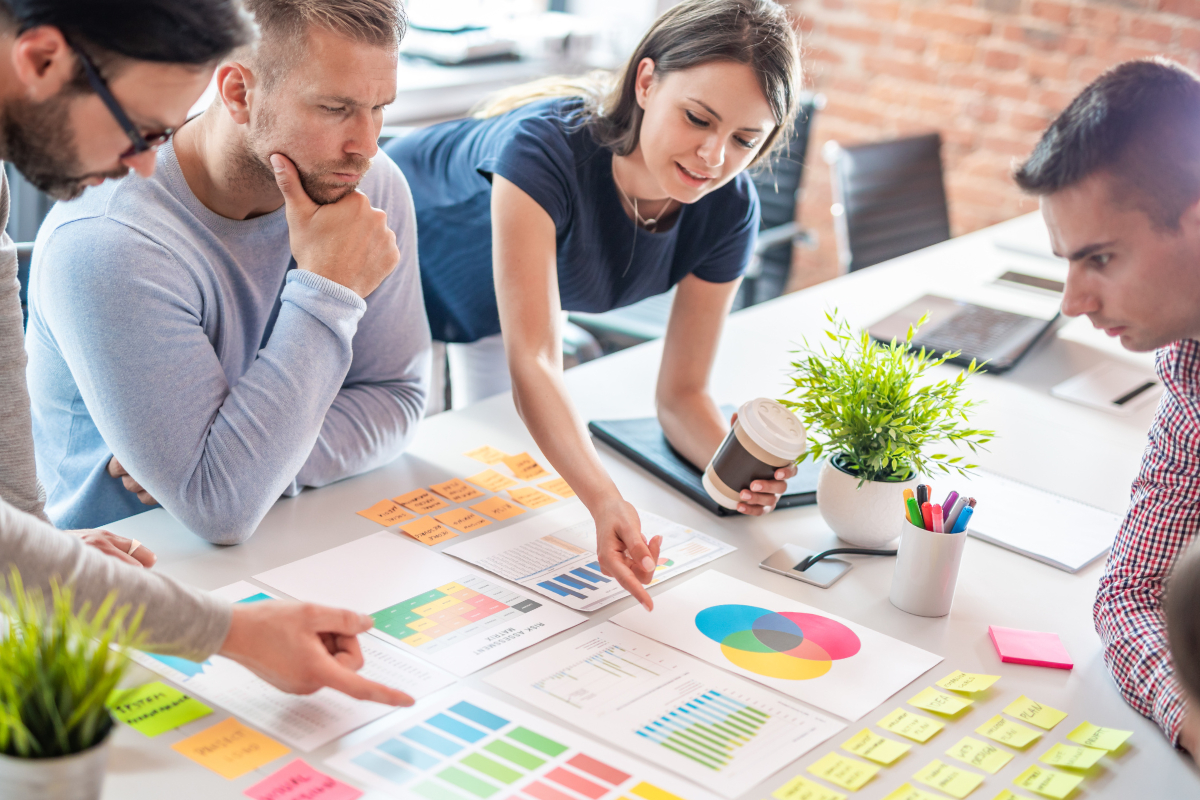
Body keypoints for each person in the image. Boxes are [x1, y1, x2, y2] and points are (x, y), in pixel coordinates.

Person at [0, 0, 409, 707]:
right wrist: (235, 632)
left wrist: (42, 556)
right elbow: (220, 502)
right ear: (39, 60)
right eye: (140, 129)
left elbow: (9, 505)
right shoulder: (104, 235)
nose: (147, 161)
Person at [385, 0, 802, 609]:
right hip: (398, 256)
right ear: (647, 80)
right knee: (390, 451)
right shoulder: (544, 148)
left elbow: (683, 395)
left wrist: (730, 473)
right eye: (697, 118)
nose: (714, 157)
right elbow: (537, 357)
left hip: (501, 307)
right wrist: (605, 498)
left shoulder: (729, 209)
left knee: (492, 486)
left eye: (744, 139)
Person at [25, 0, 429, 544]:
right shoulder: (109, 242)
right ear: (239, 92)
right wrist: (328, 290)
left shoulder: (368, 188)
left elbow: (396, 398)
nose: (366, 145)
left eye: (380, 106)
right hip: (123, 577)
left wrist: (249, 462)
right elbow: (221, 507)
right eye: (335, 108)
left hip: (287, 538)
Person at [1013, 57, 1200, 757]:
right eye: (1066, 263)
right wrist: (1191, 716)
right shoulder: (1191, 361)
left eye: (1101, 260)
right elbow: (1130, 592)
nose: (1073, 303)